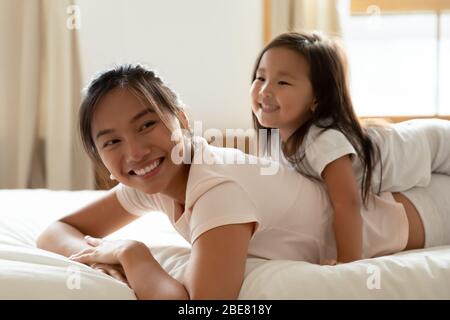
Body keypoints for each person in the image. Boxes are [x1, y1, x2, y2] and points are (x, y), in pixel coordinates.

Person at [37, 64, 449, 300]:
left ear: (181, 120)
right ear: (101, 158)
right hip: (388, 197)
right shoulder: (153, 178)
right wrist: (96, 255)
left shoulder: (217, 189)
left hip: (422, 216)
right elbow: (57, 231)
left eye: (147, 125)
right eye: (112, 142)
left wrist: (130, 253)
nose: (136, 151)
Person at [250, 31, 450, 263]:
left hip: (437, 145)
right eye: (260, 78)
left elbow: (347, 203)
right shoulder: (272, 140)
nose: (265, 91)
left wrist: (347, 262)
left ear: (317, 98)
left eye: (282, 82)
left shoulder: (322, 141)